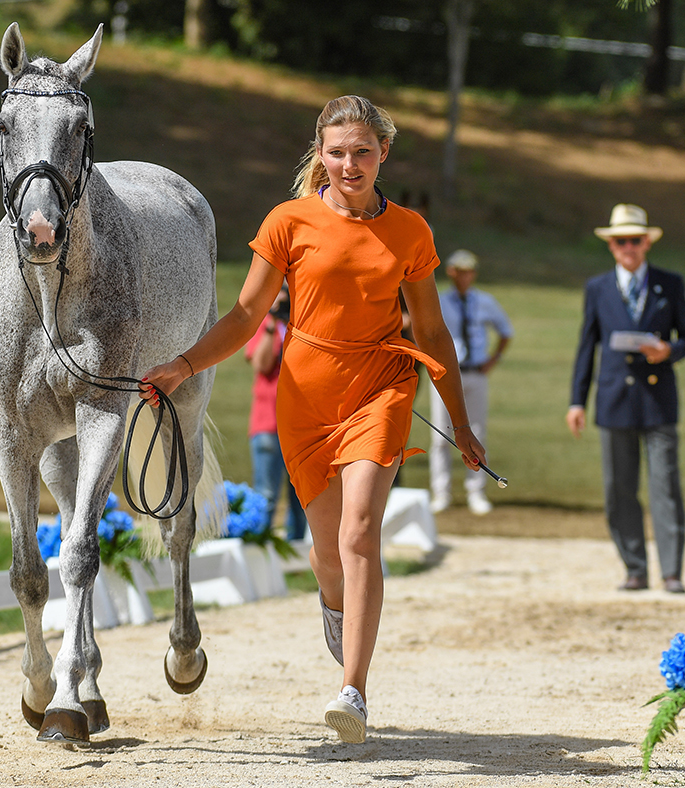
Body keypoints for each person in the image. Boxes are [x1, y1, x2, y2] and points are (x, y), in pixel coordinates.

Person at [140, 95, 485, 744]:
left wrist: (460, 422)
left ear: (384, 153)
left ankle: (353, 689)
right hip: (305, 398)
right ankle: (336, 606)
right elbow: (245, 317)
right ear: (319, 156)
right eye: (336, 152)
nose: (349, 164)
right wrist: (183, 366)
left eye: (362, 152)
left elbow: (433, 332)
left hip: (381, 388)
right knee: (326, 552)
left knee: (359, 534)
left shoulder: (410, 231)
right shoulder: (288, 221)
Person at [567, 204, 685, 595]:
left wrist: (669, 351)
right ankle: (635, 568)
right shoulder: (597, 287)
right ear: (611, 245)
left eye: (635, 240)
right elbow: (586, 346)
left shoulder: (670, 283)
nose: (628, 247)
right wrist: (577, 401)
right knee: (619, 488)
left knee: (666, 486)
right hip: (614, 399)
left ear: (647, 243)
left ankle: (671, 571)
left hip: (658, 401)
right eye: (621, 241)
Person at [430, 249, 512, 515]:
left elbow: (505, 331)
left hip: (476, 372)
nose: (464, 276)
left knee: (477, 430)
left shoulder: (484, 301)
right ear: (451, 272)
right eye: (459, 271)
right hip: (446, 374)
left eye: (469, 271)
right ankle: (441, 492)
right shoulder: (440, 301)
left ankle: (476, 491)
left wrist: (493, 359)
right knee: (441, 434)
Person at [245, 283, 308, 541]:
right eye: (279, 290)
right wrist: (272, 320)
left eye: (287, 291)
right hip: (268, 423)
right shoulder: (264, 323)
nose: (283, 296)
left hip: (302, 425)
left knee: (302, 498)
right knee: (266, 495)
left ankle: (294, 558)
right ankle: (259, 553)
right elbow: (261, 363)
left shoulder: (303, 324)